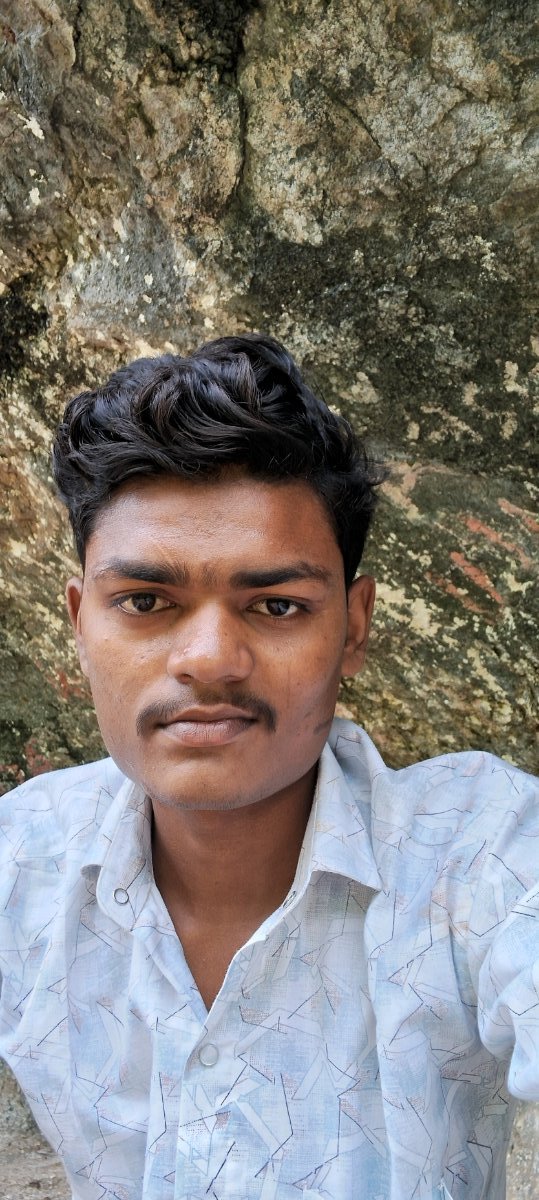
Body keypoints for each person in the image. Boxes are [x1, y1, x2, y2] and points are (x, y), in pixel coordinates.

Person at [0, 333, 537, 1200]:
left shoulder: (478, 853)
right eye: (145, 601)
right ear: (80, 623)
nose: (210, 659)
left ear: (353, 627)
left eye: (277, 605)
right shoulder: (19, 862)